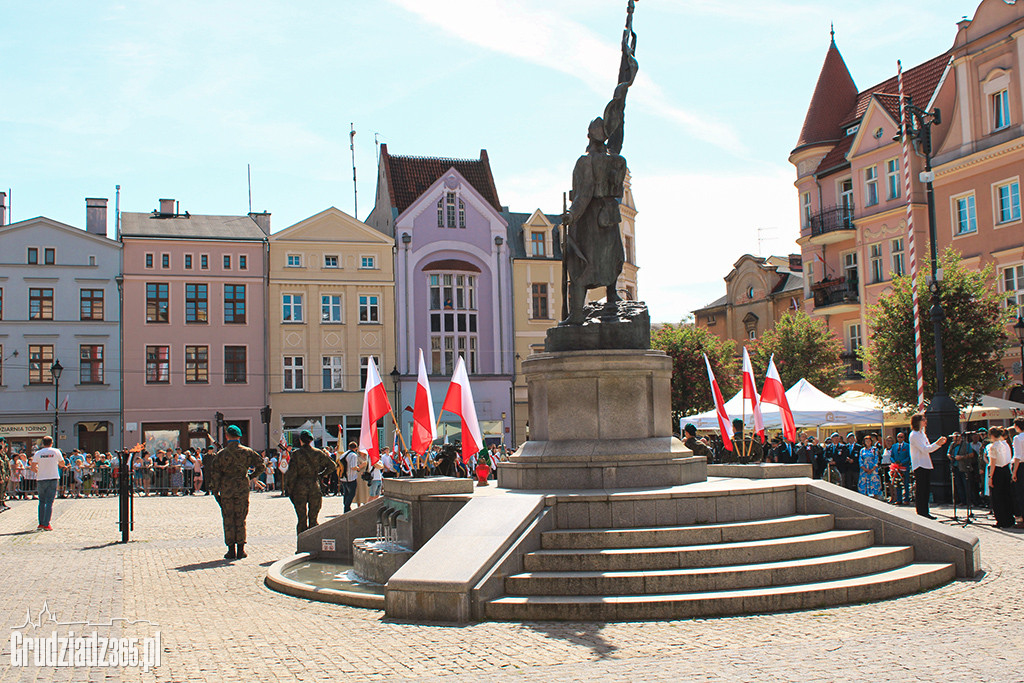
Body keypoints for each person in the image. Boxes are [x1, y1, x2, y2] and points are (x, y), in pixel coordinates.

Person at [207, 425, 265, 559]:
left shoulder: (221, 454)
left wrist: (215, 491)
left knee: (228, 518)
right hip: (242, 488)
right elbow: (261, 465)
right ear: (239, 436)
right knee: (241, 517)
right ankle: (241, 549)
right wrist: (251, 476)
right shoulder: (247, 452)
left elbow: (215, 474)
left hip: (227, 489)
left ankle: (230, 549)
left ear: (227, 436)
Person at [284, 430, 336, 536]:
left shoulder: (296, 454)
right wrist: (321, 474)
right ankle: (313, 541)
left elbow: (292, 474)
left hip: (300, 486)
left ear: (300, 440)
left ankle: (302, 542)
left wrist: (289, 488)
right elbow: (332, 466)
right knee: (313, 518)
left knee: (302, 518)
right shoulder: (318, 453)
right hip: (314, 485)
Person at [908, 413, 947, 520]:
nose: (925, 421)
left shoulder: (922, 434)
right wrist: (937, 443)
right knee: (921, 489)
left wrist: (937, 444)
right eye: (923, 419)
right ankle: (921, 512)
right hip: (919, 464)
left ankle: (925, 511)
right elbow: (925, 449)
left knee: (926, 489)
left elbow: (928, 448)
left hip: (925, 463)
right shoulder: (914, 435)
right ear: (918, 422)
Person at [29, 436, 66, 531]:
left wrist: (39, 471)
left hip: (41, 478)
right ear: (52, 442)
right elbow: (62, 464)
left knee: (41, 501)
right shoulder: (56, 451)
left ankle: (41, 523)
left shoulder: (38, 453)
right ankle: (47, 523)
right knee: (49, 502)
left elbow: (33, 467)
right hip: (53, 477)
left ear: (42, 443)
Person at [987, 426, 1015, 527]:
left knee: (997, 497)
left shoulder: (993, 446)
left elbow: (993, 463)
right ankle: (1009, 518)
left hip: (997, 471)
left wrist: (990, 477)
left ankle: (1001, 520)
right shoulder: (1005, 444)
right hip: (1006, 470)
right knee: (1006, 495)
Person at [890, 432, 912, 505]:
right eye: (898, 437)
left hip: (904, 467)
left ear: (904, 438)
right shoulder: (894, 446)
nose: (900, 438)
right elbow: (891, 456)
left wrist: (902, 462)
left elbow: (909, 456)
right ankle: (899, 499)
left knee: (905, 483)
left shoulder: (907, 446)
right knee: (897, 484)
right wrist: (894, 463)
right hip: (896, 468)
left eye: (901, 437)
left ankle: (906, 499)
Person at [858, 434, 882, 499]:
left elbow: (876, 459)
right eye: (866, 441)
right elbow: (860, 460)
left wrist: (872, 469)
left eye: (869, 441)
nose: (867, 442)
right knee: (864, 486)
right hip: (864, 470)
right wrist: (864, 469)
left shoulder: (874, 449)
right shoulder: (862, 450)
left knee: (874, 485)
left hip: (873, 470)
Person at [1011, 417, 1024, 528]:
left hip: (1021, 466)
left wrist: (1014, 472)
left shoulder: (1018, 438)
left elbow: (1018, 456)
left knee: (1021, 493)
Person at [340, 441, 360, 513]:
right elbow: (353, 466)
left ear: (349, 447)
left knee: (346, 494)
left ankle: (346, 507)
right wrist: (358, 468)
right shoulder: (353, 455)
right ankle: (347, 508)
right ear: (356, 448)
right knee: (351, 494)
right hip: (351, 478)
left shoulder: (343, 454)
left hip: (343, 477)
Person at [0, 438, 10, 511]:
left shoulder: (3, 454)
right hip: (1, 476)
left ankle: (2, 503)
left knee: (3, 490)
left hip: (4, 475)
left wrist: (6, 475)